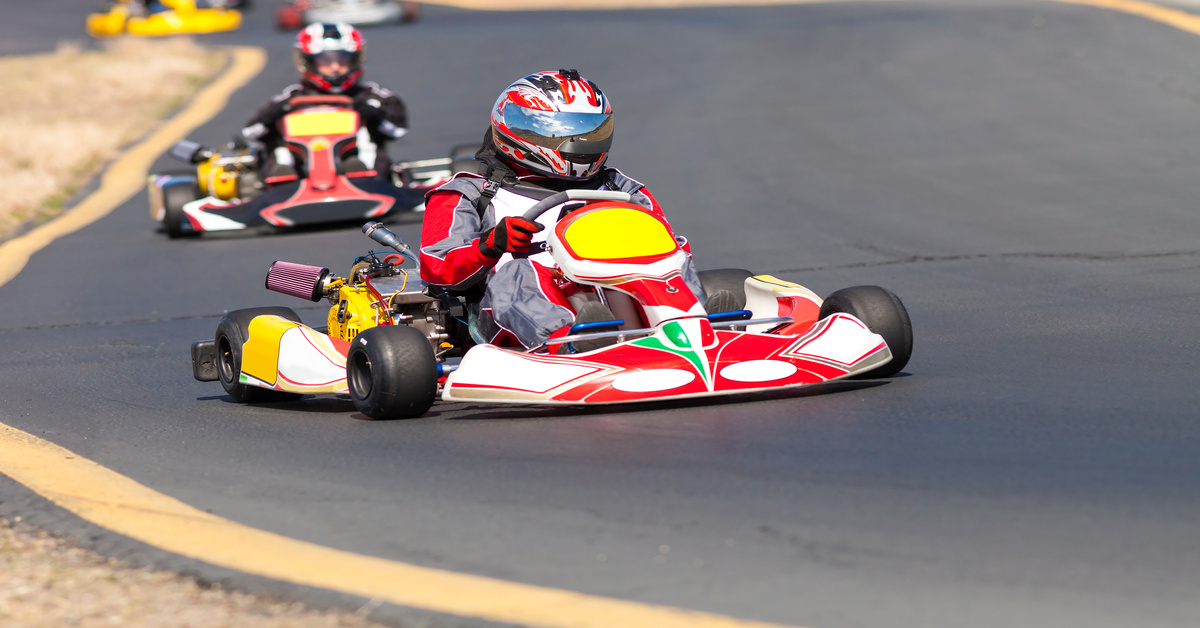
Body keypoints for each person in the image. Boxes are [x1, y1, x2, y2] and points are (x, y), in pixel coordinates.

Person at [419, 69, 708, 351]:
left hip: (620, 288)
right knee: (517, 270)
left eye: (589, 131)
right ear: (518, 130)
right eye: (562, 132)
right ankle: (570, 343)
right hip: (517, 312)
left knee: (673, 255)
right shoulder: (470, 193)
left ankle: (697, 327)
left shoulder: (621, 188)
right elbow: (437, 267)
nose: (579, 143)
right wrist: (489, 246)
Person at [239, 22, 408, 181]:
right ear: (308, 62)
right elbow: (251, 133)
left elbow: (397, 130)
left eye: (343, 59)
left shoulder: (373, 97)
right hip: (302, 174)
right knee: (280, 149)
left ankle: (362, 177)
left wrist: (374, 115)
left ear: (356, 60)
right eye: (326, 60)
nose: (335, 67)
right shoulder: (290, 99)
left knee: (365, 143)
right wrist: (271, 116)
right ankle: (283, 182)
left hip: (360, 170)